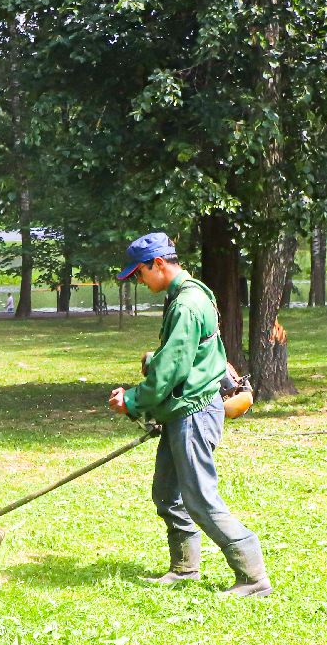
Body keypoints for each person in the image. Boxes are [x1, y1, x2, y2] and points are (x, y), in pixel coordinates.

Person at [107, 232, 272, 597]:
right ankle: (184, 569)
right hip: (183, 411)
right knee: (168, 494)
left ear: (159, 264)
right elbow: (187, 356)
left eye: (139, 273)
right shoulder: (189, 295)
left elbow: (172, 370)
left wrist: (134, 400)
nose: (138, 281)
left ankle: (253, 576)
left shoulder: (187, 304)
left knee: (199, 498)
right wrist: (154, 363)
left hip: (194, 413)